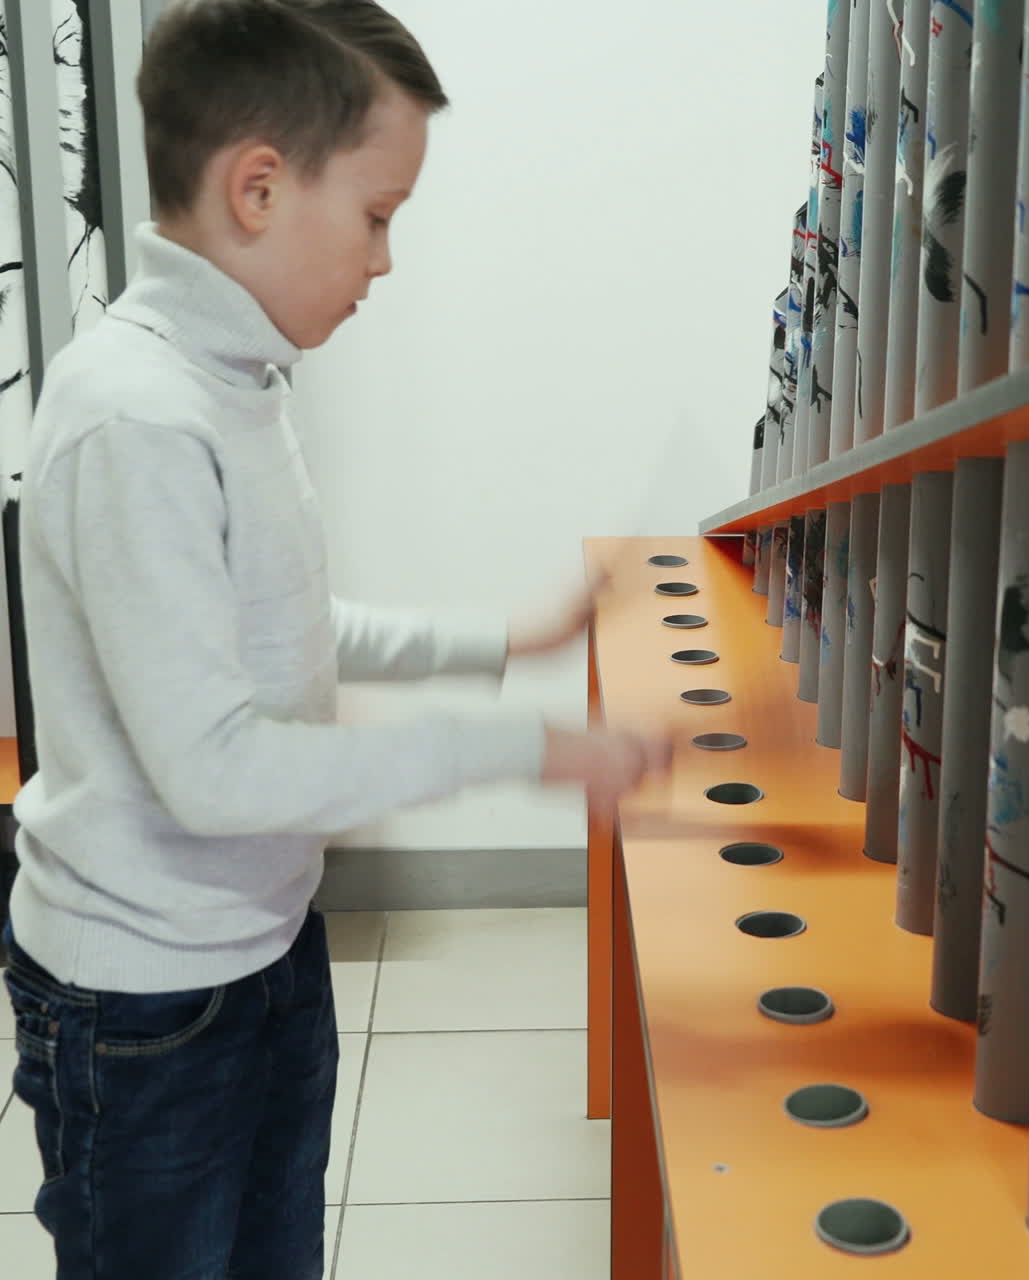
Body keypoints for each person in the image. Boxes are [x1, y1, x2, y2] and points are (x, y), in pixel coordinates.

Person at [1, 3, 669, 1276]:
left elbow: (280, 625)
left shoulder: (235, 379)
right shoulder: (136, 415)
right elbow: (218, 767)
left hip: (260, 945)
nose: (384, 262)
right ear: (258, 187)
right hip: (143, 1007)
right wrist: (511, 744)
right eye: (376, 216)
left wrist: (499, 636)